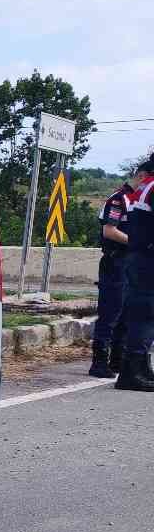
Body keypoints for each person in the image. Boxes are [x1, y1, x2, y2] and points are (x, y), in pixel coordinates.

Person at [114, 156, 154, 392]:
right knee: (145, 313)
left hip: (142, 257)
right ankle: (131, 372)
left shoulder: (147, 185)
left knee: (146, 314)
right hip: (146, 259)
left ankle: (140, 366)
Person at [88, 176, 134, 377]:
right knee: (111, 312)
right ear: (141, 176)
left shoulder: (136, 200)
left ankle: (118, 359)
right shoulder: (119, 199)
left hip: (131, 263)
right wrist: (137, 242)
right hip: (116, 261)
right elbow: (109, 231)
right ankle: (99, 362)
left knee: (126, 314)